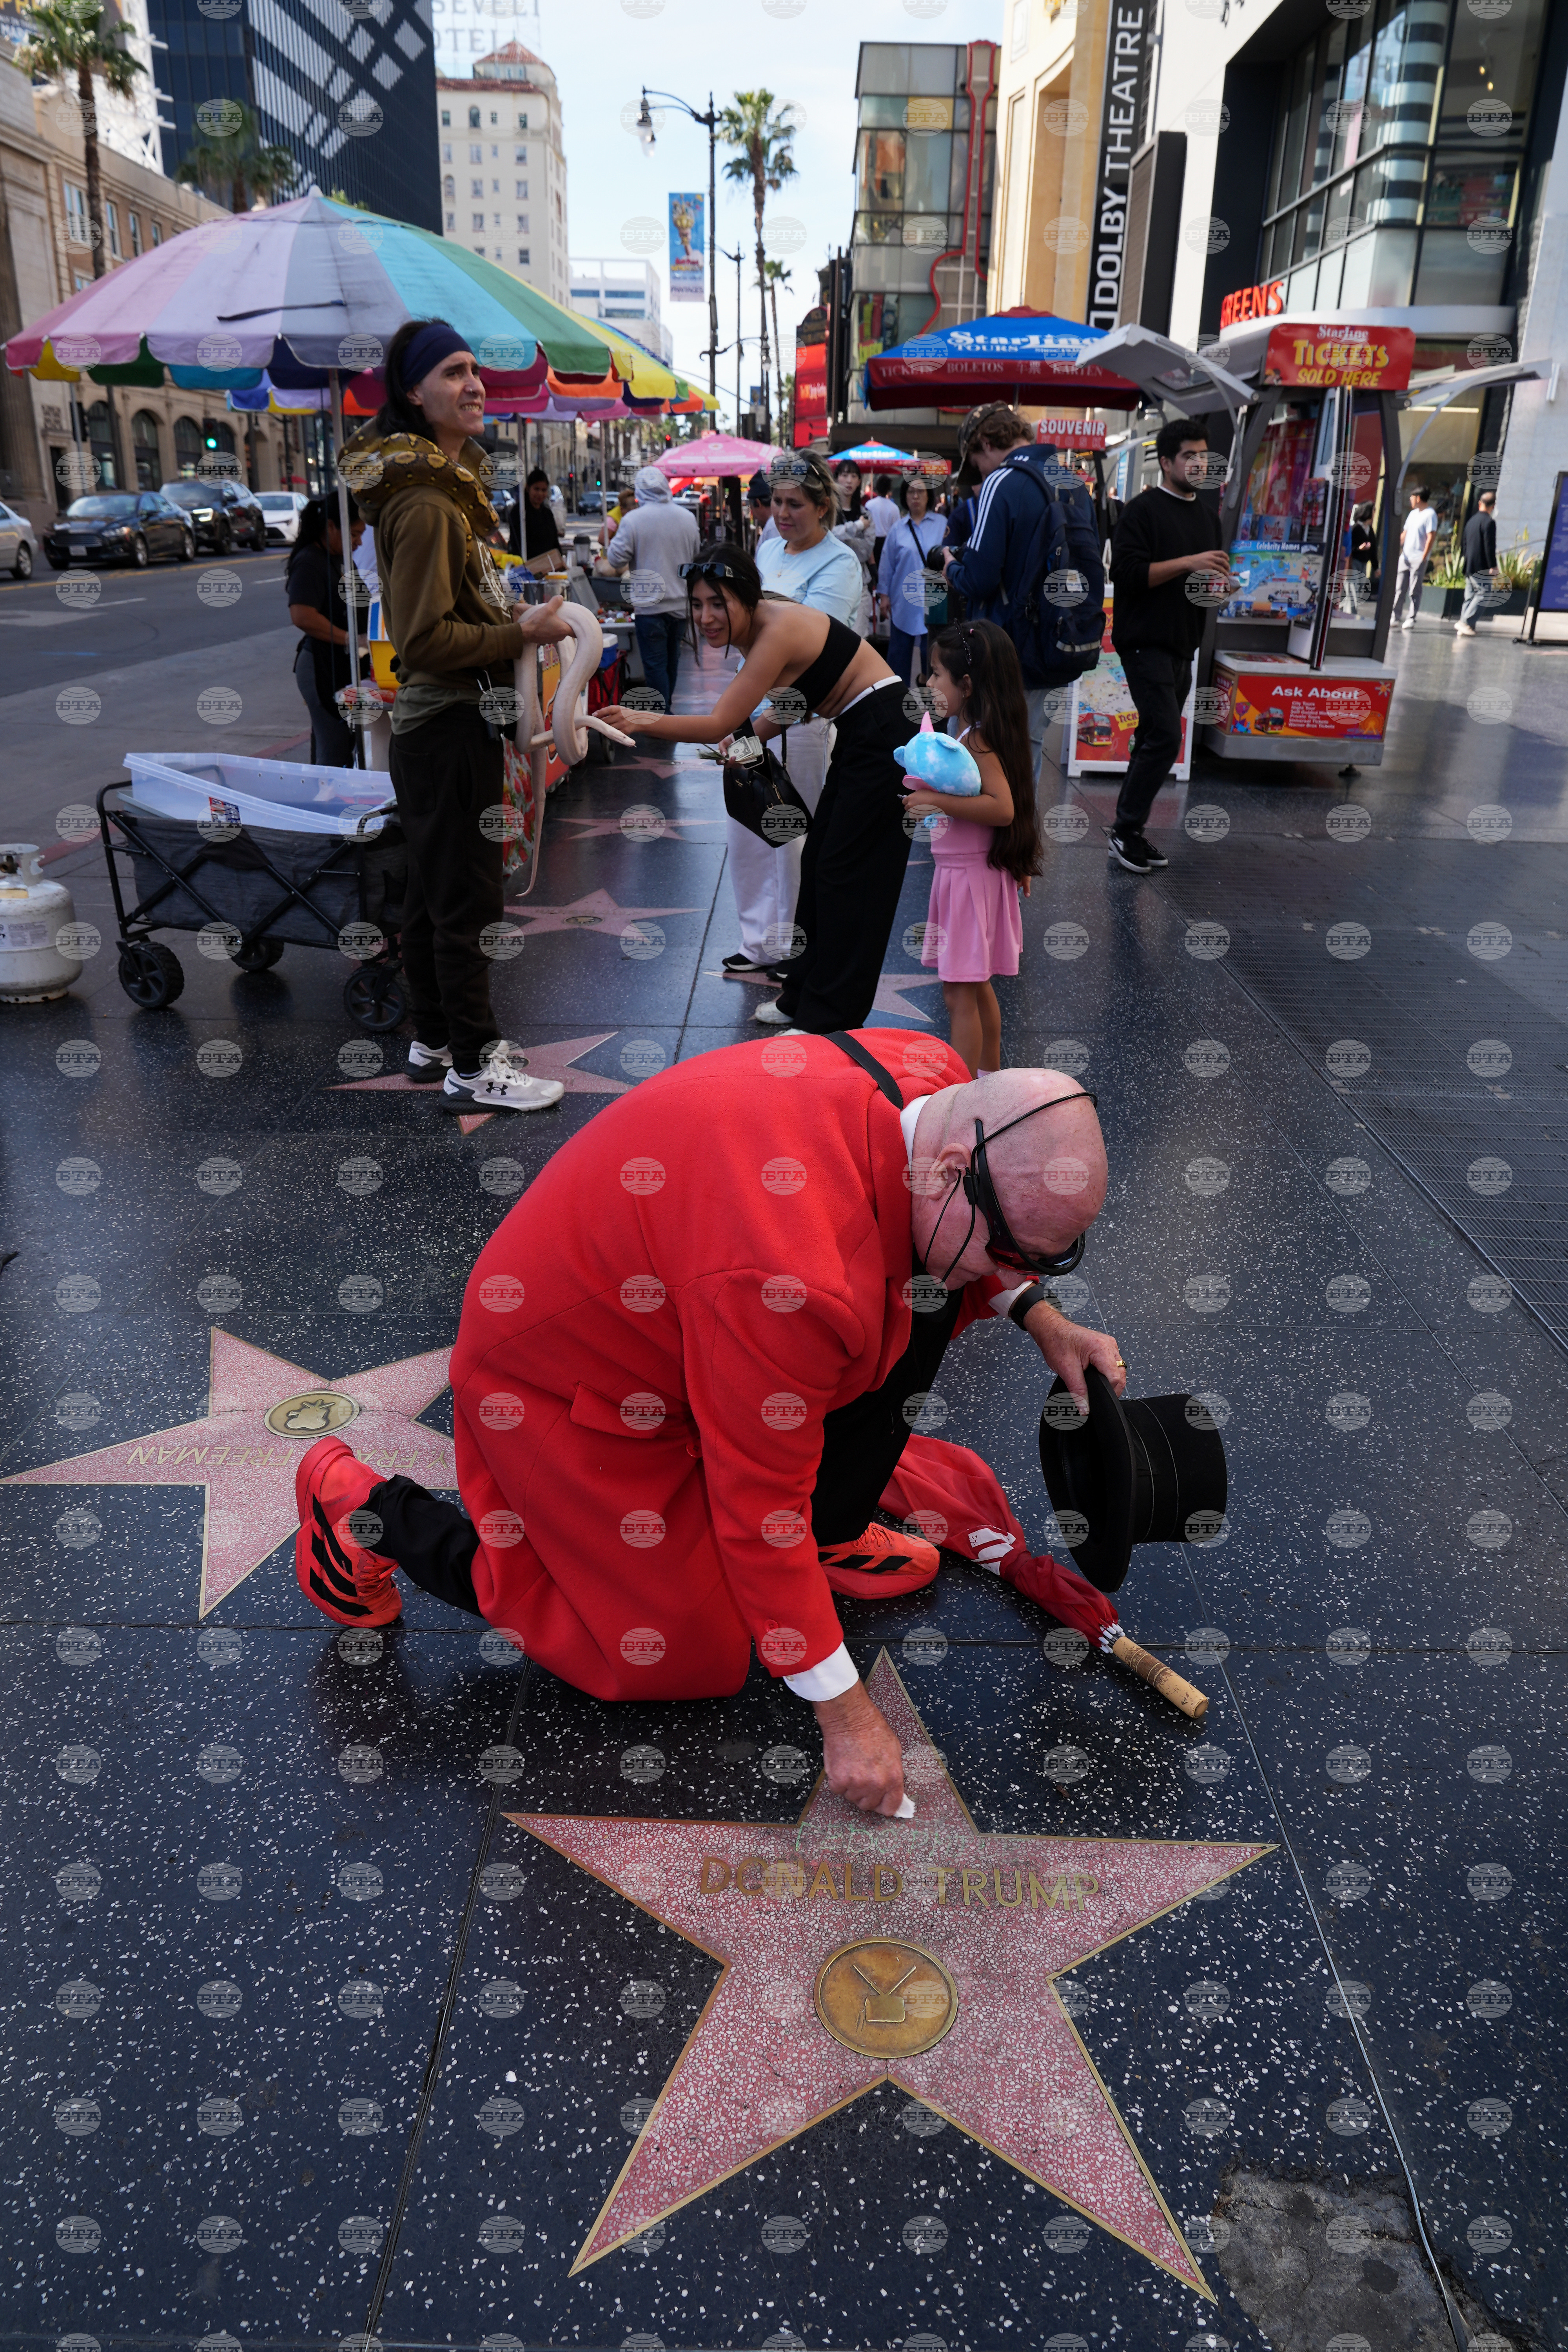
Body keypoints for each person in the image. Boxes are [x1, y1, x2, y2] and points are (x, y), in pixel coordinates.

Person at [292, 1030, 1122, 1815]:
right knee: (667, 1652)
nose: (1015, 1274)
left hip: (700, 1315)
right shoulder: (789, 1280)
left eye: (1042, 1259)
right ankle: (365, 1512)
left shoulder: (936, 1081)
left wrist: (1042, 1317)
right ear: (950, 1169)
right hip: (564, 1380)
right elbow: (759, 1507)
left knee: (926, 1290)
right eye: (1012, 1255)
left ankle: (828, 1534)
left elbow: (963, 1244)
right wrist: (845, 1713)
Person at [343, 316, 575, 1114]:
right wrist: (523, 632)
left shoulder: (438, 493)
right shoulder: (427, 504)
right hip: (446, 727)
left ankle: (434, 1039)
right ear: (414, 393)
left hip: (439, 731)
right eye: (451, 372)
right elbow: (423, 641)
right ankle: (476, 1066)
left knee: (430, 896)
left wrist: (508, 619)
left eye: (473, 369)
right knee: (467, 903)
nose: (473, 384)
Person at [598, 541, 913, 1034]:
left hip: (883, 731)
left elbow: (718, 721)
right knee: (820, 863)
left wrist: (641, 718)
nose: (705, 617)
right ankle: (802, 997)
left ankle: (829, 1018)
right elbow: (796, 702)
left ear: (747, 596)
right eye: (697, 604)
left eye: (717, 603)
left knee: (847, 876)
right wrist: (747, 741)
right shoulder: (762, 625)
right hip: (863, 730)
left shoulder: (775, 629)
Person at [719, 455, 865, 983]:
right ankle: (758, 941)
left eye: (794, 504)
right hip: (752, 706)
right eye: (776, 502)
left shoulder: (840, 564)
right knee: (747, 827)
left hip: (800, 719)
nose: (781, 513)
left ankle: (796, 946)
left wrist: (760, 722)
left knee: (792, 835)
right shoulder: (768, 548)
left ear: (823, 507)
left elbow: (817, 657)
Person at [940, 403, 1104, 790]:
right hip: (1059, 642)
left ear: (984, 442)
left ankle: (979, 830)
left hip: (1004, 651)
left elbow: (979, 578)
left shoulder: (1002, 480)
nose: (981, 473)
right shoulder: (1072, 479)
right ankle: (1019, 830)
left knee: (973, 751)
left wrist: (951, 567)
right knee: (1025, 753)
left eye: (976, 464)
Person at [905, 621, 1041, 1077]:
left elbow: (1002, 807)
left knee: (958, 992)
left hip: (968, 880)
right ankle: (988, 1079)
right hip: (968, 875)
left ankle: (959, 1095)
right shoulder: (971, 733)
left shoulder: (977, 740)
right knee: (976, 985)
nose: (929, 683)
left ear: (966, 685)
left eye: (936, 674)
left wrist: (935, 801)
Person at [1104, 418, 1230, 877]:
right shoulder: (1141, 511)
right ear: (1165, 462)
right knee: (1165, 737)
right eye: (1188, 456)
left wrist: (1221, 588)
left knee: (1151, 739)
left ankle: (1130, 831)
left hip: (1184, 645)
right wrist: (1188, 562)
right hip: (1144, 643)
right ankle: (1125, 830)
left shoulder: (1208, 518)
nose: (1199, 464)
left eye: (1204, 456)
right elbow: (1127, 575)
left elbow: (1203, 583)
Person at [605, 463, 699, 715]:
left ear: (639, 492)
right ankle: (666, 713)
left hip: (650, 607)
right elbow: (696, 556)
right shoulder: (688, 518)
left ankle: (661, 717)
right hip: (681, 605)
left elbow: (615, 559)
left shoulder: (634, 520)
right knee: (671, 663)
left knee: (656, 666)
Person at [285, 497, 369, 768]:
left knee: (347, 745)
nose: (359, 542)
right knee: (333, 748)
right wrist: (349, 639)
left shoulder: (339, 558)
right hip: (321, 667)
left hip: (342, 666)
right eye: (354, 534)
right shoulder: (311, 562)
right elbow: (302, 615)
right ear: (332, 526)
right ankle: (325, 794)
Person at [877, 471, 947, 686]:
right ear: (905, 496)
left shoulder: (943, 524)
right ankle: (897, 700)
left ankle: (931, 697)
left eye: (920, 492)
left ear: (929, 495)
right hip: (903, 598)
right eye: (911, 492)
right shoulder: (897, 529)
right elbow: (887, 564)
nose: (915, 496)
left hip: (934, 598)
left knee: (933, 656)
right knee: (899, 656)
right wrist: (884, 595)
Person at [1392, 485, 1437, 631]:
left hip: (1418, 558)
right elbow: (1405, 534)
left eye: (1412, 497)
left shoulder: (1430, 515)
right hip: (1405, 557)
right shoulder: (1412, 514)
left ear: (1418, 498)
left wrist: (1424, 557)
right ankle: (1395, 617)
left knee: (1414, 590)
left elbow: (1431, 537)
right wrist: (1395, 546)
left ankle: (1411, 618)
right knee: (1399, 589)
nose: (1410, 499)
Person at [1456, 490, 1497, 637]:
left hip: (1469, 565)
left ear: (1480, 504)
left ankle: (1466, 626)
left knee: (1470, 596)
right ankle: (1466, 622)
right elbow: (1489, 547)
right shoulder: (1489, 522)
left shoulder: (1471, 521)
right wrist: (1493, 566)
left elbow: (1465, 544)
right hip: (1481, 567)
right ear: (1493, 506)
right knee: (1485, 593)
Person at [510, 466, 562, 566]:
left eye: (544, 490)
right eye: (537, 489)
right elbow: (516, 545)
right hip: (526, 567)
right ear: (528, 488)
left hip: (550, 567)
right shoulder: (519, 512)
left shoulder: (548, 514)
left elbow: (555, 544)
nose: (540, 494)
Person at [864, 470, 900, 574]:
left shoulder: (869, 505)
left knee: (872, 572)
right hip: (887, 543)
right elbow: (897, 530)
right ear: (889, 489)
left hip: (872, 542)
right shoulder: (894, 508)